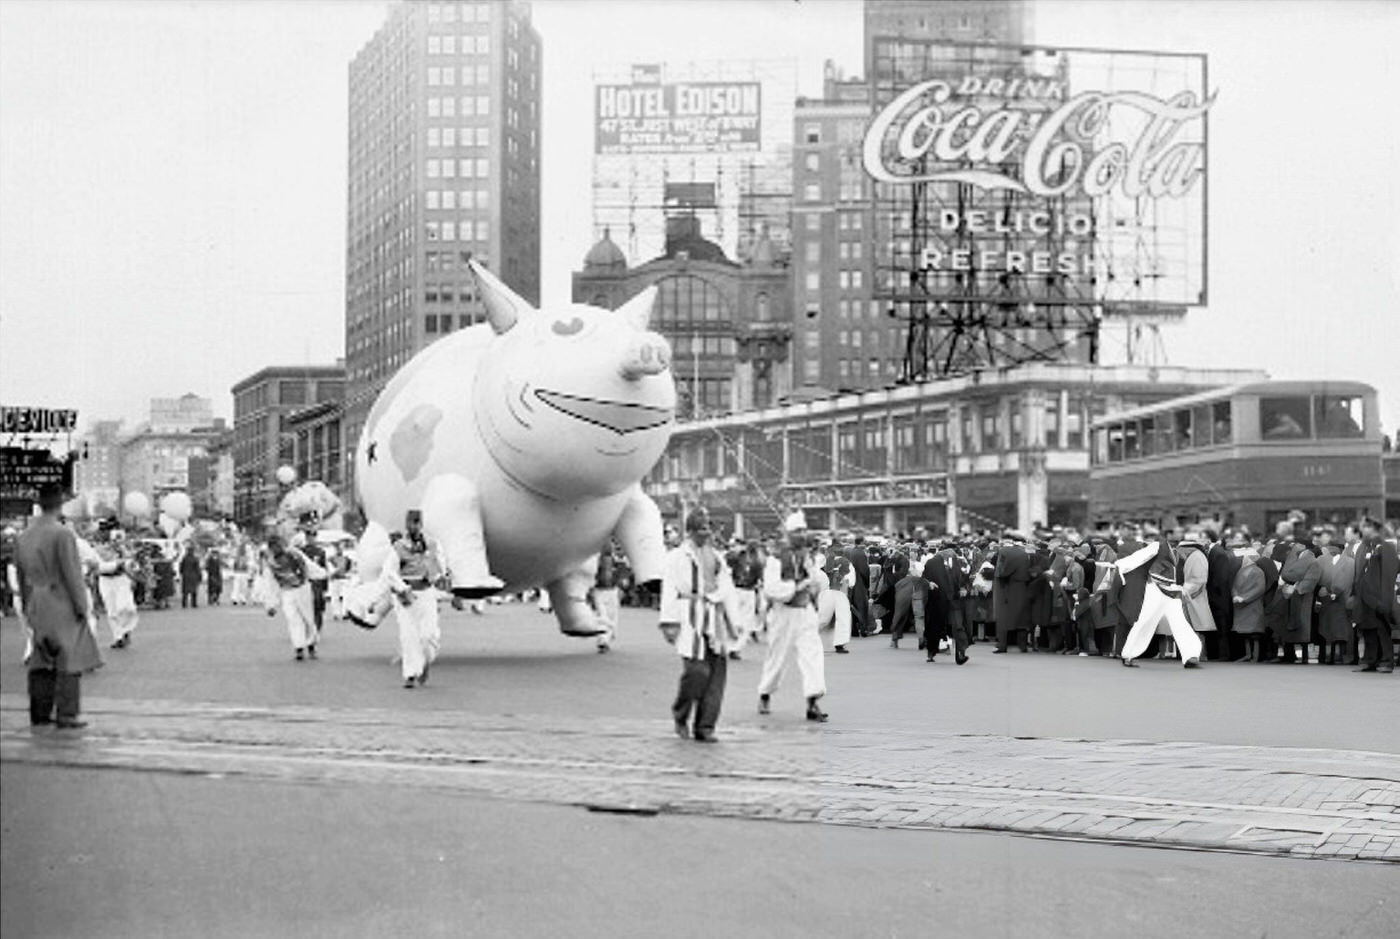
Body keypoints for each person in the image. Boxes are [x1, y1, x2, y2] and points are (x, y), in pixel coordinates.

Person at [16, 484, 103, 729]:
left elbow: (21, 576)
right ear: (60, 503)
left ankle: (40, 712)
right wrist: (81, 605)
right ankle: (67, 714)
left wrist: (26, 606)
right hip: (60, 600)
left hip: (36, 600)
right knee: (68, 657)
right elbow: (72, 573)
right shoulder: (62, 534)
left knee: (40, 658)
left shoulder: (24, 536)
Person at [660, 506, 735, 742]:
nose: (706, 532)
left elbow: (727, 587)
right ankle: (681, 714)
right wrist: (669, 622)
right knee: (696, 671)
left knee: (716, 674)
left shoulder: (717, 557)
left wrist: (734, 622)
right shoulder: (676, 557)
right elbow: (669, 589)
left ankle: (705, 726)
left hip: (713, 616)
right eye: (701, 528)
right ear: (690, 530)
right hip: (688, 616)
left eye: (708, 527)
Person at [758, 510, 829, 723]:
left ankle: (812, 702)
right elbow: (771, 588)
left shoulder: (807, 556)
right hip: (784, 613)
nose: (802, 534)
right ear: (789, 533)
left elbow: (817, 581)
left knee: (812, 655)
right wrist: (795, 586)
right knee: (777, 656)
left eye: (803, 530)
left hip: (805, 612)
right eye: (798, 531)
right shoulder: (776, 558)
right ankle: (765, 693)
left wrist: (812, 575)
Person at [1117, 534, 1202, 668]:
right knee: (1146, 619)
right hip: (1155, 588)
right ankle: (1128, 654)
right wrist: (1119, 566)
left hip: (1171, 590)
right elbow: (1139, 557)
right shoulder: (1158, 545)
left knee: (1179, 621)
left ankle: (1191, 655)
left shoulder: (1176, 552)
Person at [383, 510, 446, 688]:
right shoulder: (398, 547)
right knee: (408, 635)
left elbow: (441, 566)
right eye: (411, 523)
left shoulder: (433, 544)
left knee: (428, 636)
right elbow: (389, 572)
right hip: (406, 595)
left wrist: (442, 577)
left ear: (421, 524)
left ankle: (426, 661)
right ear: (406, 525)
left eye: (417, 523)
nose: (414, 526)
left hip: (426, 593)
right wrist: (403, 588)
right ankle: (410, 674)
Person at [263, 534, 323, 662]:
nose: (276, 548)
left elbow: (309, 566)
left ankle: (311, 646)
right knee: (293, 619)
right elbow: (271, 584)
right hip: (287, 592)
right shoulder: (271, 562)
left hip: (303, 588)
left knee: (308, 618)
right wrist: (271, 604)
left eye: (277, 545)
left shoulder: (294, 554)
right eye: (273, 547)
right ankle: (299, 648)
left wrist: (324, 574)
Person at [1352, 517, 1397, 674]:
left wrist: (1385, 598)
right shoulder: (1364, 547)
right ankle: (1370, 660)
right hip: (1364, 596)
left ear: (1374, 528)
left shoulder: (1387, 547)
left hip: (1378, 596)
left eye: (1366, 527)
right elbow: (1358, 573)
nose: (1363, 530)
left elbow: (1389, 575)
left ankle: (1387, 660)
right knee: (1368, 628)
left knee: (1381, 629)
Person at [95, 525, 140, 650]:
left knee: (125, 606)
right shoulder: (95, 547)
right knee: (111, 609)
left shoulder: (121, 546)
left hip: (120, 578)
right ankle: (118, 637)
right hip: (105, 579)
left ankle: (126, 630)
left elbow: (130, 561)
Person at [993, 531, 1031, 653]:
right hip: (1022, 588)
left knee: (1004, 617)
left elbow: (1002, 572)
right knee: (1021, 618)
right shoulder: (1025, 553)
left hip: (1007, 588)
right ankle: (1023, 646)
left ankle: (1002, 645)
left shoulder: (1004, 552)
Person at [592, 548, 622, 653]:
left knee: (610, 615)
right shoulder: (594, 559)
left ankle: (606, 638)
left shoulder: (615, 559)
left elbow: (621, 573)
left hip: (611, 590)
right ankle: (603, 639)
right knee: (603, 615)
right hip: (600, 590)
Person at [179, 544, 201, 608]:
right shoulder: (195, 559)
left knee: (185, 591)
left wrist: (182, 573)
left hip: (186, 576)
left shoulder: (184, 558)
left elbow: (181, 567)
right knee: (194, 591)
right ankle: (193, 603)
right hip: (193, 576)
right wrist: (199, 576)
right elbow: (197, 568)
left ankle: (184, 604)